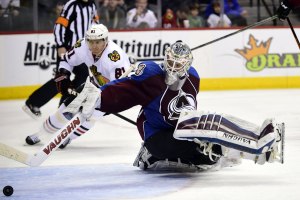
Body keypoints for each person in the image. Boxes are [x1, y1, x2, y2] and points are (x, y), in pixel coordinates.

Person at [27, 40, 284, 171]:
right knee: (175, 144)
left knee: (203, 145)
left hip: (179, 126)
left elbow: (186, 109)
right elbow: (124, 91)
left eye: (178, 65)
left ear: (187, 65)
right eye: (170, 62)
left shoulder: (193, 77)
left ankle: (256, 145)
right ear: (165, 59)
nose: (173, 68)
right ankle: (150, 155)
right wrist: (99, 98)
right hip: (155, 132)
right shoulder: (149, 74)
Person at [25, 23, 131, 148]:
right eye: (91, 42)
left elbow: (118, 89)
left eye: (98, 42)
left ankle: (68, 138)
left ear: (105, 40)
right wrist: (63, 75)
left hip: (117, 93)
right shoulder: (82, 46)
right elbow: (66, 60)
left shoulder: (115, 58)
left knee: (90, 115)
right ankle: (41, 134)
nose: (94, 46)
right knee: (67, 108)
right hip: (94, 84)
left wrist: (97, 102)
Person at [22, 0, 99, 119]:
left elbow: (95, 23)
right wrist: (60, 45)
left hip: (81, 50)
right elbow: (59, 26)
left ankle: (65, 106)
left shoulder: (92, 5)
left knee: (82, 77)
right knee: (62, 78)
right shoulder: (72, 5)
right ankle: (33, 103)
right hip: (68, 49)